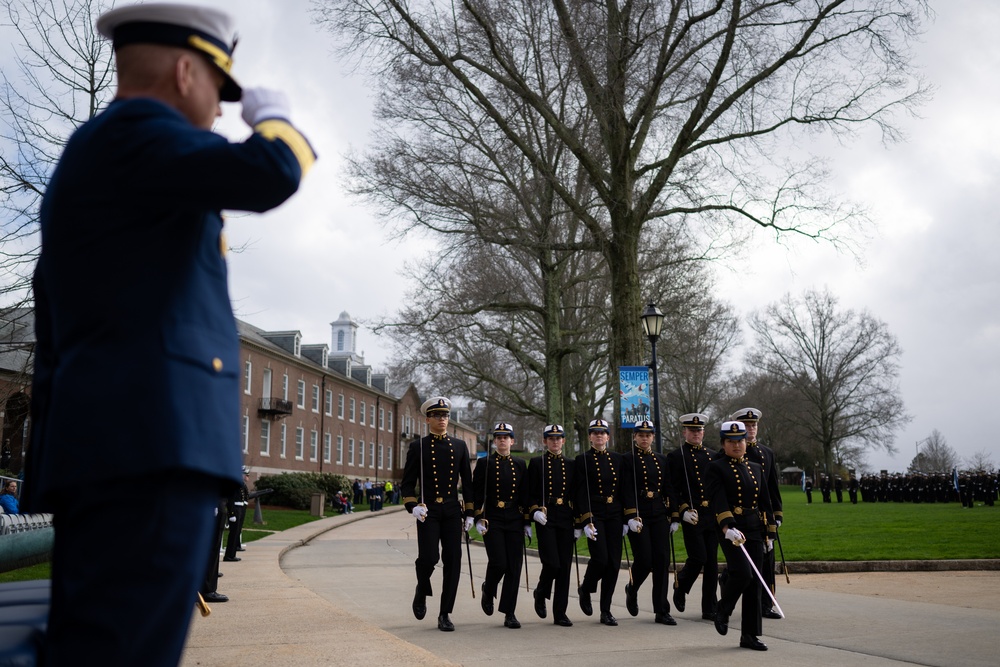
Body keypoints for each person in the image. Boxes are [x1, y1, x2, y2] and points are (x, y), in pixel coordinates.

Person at [21, 4, 315, 664]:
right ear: (186, 71)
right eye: (219, 89)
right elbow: (271, 172)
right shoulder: (141, 135)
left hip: (112, 447)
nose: (218, 112)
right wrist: (274, 120)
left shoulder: (103, 154)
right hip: (150, 448)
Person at [400, 397, 474, 632]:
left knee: (453, 561)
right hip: (428, 510)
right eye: (437, 416)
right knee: (430, 558)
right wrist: (414, 506)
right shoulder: (418, 447)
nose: (442, 419)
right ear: (428, 419)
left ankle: (445, 613)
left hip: (452, 509)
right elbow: (407, 483)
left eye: (445, 416)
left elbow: (468, 484)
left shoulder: (460, 446)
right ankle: (422, 588)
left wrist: (471, 512)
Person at [707, 420, 777, 652]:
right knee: (743, 574)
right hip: (731, 528)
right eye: (731, 441)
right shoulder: (716, 467)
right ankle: (723, 609)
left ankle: (749, 635)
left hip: (754, 527)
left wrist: (769, 534)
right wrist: (727, 527)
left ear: (746, 441)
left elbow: (764, 502)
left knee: (755, 582)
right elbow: (718, 500)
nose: (737, 446)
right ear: (723, 443)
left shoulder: (755, 467)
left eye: (740, 441)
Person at [473, 422, 529, 629]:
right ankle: (489, 588)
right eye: (498, 437)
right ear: (494, 441)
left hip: (514, 517)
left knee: (514, 567)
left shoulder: (520, 464)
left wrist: (527, 521)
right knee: (499, 562)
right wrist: (477, 517)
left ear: (512, 441)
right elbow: (477, 493)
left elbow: (525, 494)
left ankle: (509, 612)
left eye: (506, 437)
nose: (502, 440)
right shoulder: (484, 463)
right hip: (493, 517)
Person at [730, 408, 783, 620]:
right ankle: (728, 580)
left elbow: (772, 487)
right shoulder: (737, 451)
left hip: (765, 513)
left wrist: (777, 515)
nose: (751, 429)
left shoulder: (766, 452)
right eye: (747, 425)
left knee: (768, 559)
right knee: (748, 559)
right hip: (745, 513)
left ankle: (766, 603)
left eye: (754, 425)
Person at [622, 419, 677, 626]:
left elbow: (668, 488)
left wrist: (674, 515)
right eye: (641, 435)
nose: (645, 438)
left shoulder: (661, 460)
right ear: (635, 436)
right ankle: (632, 588)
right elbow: (626, 489)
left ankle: (661, 610)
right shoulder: (627, 459)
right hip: (640, 514)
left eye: (648, 435)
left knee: (662, 561)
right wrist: (630, 516)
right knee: (644, 559)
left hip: (659, 513)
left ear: (653, 437)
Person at [667, 413, 720, 621]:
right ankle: (681, 585)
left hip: (711, 515)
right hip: (693, 515)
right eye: (692, 430)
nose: (696, 434)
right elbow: (672, 488)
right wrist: (682, 510)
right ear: (684, 432)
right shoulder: (676, 456)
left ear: (703, 432)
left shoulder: (713, 456)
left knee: (712, 563)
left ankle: (710, 608)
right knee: (699, 558)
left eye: (699, 430)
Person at [573, 418, 624, 626]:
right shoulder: (582, 459)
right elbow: (579, 492)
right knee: (600, 559)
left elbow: (623, 489)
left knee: (613, 564)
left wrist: (627, 518)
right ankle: (586, 588)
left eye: (602, 433)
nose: (599, 436)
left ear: (608, 437)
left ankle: (606, 610)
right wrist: (586, 519)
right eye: (595, 433)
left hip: (614, 513)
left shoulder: (618, 459)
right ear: (589, 437)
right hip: (595, 513)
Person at [527, 424, 576, 627]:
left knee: (564, 567)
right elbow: (529, 492)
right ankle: (541, 591)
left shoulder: (571, 464)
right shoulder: (537, 463)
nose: (555, 441)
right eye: (551, 438)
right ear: (544, 441)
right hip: (546, 516)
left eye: (558, 438)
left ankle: (560, 613)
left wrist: (581, 521)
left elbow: (576, 494)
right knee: (552, 563)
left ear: (563, 441)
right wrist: (534, 511)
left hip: (565, 515)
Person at [224, 468, 251, 562]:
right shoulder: (234, 483)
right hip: (235, 509)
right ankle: (229, 555)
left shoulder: (239, 483)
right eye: (246, 474)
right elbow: (230, 499)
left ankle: (232, 554)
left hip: (239, 508)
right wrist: (231, 513)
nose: (247, 477)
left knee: (236, 533)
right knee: (233, 533)